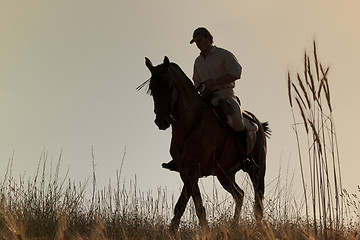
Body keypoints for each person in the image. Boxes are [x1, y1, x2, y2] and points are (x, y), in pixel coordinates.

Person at [162, 27, 255, 171]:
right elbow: (197, 82)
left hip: (226, 94)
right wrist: (196, 90)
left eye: (200, 40)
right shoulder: (198, 62)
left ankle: (245, 157)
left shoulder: (223, 54)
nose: (198, 44)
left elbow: (236, 73)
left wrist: (216, 82)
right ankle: (180, 157)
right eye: (195, 42)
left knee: (236, 119)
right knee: (187, 117)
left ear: (209, 39)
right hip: (206, 97)